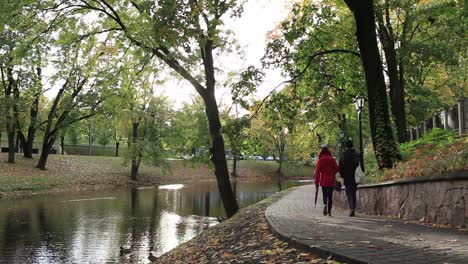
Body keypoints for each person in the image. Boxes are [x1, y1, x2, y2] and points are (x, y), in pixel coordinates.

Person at [314, 146, 340, 216]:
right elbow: (337, 168)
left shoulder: (320, 160)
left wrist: (316, 182)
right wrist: (332, 172)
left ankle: (325, 204)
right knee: (330, 196)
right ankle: (329, 211)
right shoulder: (332, 159)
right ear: (328, 151)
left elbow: (317, 172)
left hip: (323, 180)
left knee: (324, 195)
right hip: (331, 180)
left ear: (321, 152)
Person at [339, 140, 360, 217]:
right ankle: (353, 208)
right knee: (353, 192)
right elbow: (359, 164)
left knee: (348, 193)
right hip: (355, 176)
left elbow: (340, 166)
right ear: (352, 145)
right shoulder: (356, 154)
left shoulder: (343, 155)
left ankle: (351, 208)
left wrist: (342, 175)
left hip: (347, 176)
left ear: (346, 146)